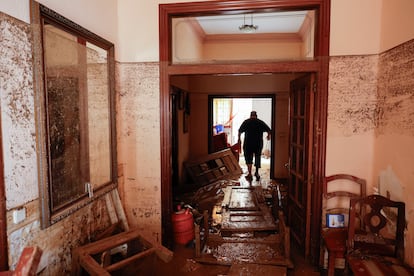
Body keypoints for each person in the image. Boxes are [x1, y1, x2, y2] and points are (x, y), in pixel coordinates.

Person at [238, 111, 271, 181]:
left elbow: (240, 131)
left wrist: (239, 139)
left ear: (250, 115)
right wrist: (268, 136)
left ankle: (249, 173)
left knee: (248, 157)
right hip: (258, 143)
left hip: (248, 143)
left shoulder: (246, 122)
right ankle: (256, 172)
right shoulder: (260, 122)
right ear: (256, 116)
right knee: (257, 156)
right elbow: (269, 129)